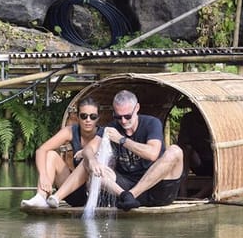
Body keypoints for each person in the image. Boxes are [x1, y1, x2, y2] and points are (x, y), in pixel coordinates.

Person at [47, 89, 184, 211]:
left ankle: (131, 196)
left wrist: (122, 140)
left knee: (175, 150)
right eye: (119, 117)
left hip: (157, 188)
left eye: (127, 116)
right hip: (124, 188)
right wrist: (92, 161)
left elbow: (152, 154)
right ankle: (56, 198)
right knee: (89, 163)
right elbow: (89, 148)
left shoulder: (151, 123)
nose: (123, 121)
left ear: (137, 108)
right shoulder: (112, 127)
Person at [21, 97, 104, 208]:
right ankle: (41, 196)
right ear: (78, 117)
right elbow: (41, 150)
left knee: (87, 161)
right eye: (84, 116)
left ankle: (54, 197)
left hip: (97, 191)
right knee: (51, 154)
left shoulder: (103, 134)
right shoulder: (71, 131)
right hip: (74, 192)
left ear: (98, 118)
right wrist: (43, 175)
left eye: (92, 117)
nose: (88, 120)